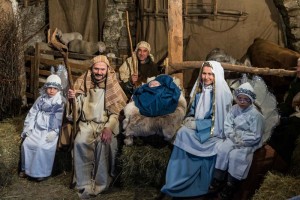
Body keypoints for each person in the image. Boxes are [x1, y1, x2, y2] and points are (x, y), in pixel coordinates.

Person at [161, 61, 233, 197]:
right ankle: (177, 179)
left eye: (210, 74)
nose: (206, 77)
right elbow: (193, 109)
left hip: (212, 132)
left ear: (216, 75)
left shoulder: (222, 94)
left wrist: (197, 125)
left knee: (188, 135)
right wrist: (190, 118)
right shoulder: (199, 90)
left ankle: (200, 182)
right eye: (204, 74)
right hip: (200, 128)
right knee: (181, 133)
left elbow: (219, 121)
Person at [67, 55, 127, 199]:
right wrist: (72, 99)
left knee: (103, 143)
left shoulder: (112, 86)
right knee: (80, 142)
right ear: (91, 69)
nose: (99, 72)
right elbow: (76, 111)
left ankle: (101, 182)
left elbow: (117, 113)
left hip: (105, 124)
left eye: (102, 69)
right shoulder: (83, 82)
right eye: (96, 69)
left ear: (107, 70)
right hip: (87, 124)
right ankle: (84, 182)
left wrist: (109, 128)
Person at [209, 82, 265, 199]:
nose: (242, 101)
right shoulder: (234, 109)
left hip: (246, 142)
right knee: (222, 150)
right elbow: (228, 124)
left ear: (251, 100)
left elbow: (256, 135)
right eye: (240, 98)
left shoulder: (256, 115)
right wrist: (232, 135)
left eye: (246, 99)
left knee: (237, 156)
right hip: (233, 137)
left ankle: (231, 184)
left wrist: (242, 140)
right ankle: (218, 178)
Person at [19, 74, 65, 181]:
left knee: (41, 146)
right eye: (49, 88)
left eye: (54, 88)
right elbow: (32, 113)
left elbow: (61, 118)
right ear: (46, 88)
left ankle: (40, 172)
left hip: (49, 131)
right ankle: (26, 169)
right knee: (27, 144)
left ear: (58, 89)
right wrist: (29, 128)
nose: (51, 91)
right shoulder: (41, 99)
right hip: (37, 128)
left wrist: (55, 132)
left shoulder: (60, 102)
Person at [268, 57, 300, 164]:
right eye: (298, 66)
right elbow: (289, 102)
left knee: (290, 129)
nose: (298, 70)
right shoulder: (296, 81)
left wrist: (287, 118)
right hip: (293, 112)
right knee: (273, 120)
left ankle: (282, 160)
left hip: (297, 117)